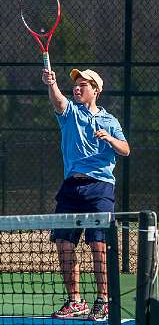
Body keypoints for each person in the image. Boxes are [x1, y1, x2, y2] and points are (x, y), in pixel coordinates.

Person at [42, 68, 130, 321]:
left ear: (96, 90)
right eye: (75, 85)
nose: (77, 89)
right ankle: (75, 301)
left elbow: (125, 149)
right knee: (63, 244)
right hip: (70, 188)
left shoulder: (110, 121)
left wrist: (110, 139)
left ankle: (103, 301)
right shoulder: (70, 113)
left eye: (83, 85)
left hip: (100, 188)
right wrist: (52, 83)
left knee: (99, 245)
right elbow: (58, 100)